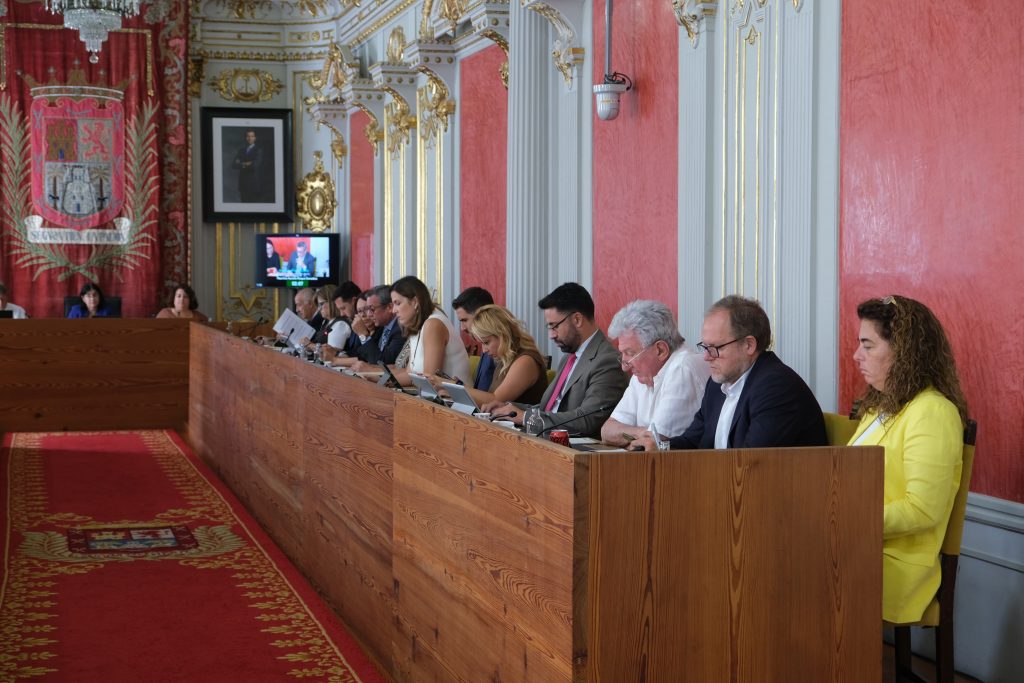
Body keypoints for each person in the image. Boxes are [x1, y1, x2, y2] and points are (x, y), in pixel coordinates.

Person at [849, 295, 968, 624]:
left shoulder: (933, 411)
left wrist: (848, 521)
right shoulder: (880, 407)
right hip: (860, 546)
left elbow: (922, 509)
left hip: (892, 562)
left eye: (868, 345)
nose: (857, 355)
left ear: (903, 351)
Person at [633, 295, 826, 451]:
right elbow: (694, 442)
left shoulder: (776, 388)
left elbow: (752, 463)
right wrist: (660, 446)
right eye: (705, 347)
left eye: (715, 348)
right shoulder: (718, 385)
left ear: (749, 345)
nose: (707, 357)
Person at [488, 282, 628, 439]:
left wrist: (526, 417)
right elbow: (550, 409)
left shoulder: (607, 361)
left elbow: (586, 420)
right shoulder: (569, 358)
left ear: (577, 320)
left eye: (554, 326)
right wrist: (510, 408)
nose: (551, 335)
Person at [599, 300, 709, 447]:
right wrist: (640, 433)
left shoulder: (683, 367)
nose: (625, 367)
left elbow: (654, 444)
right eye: (622, 354)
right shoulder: (641, 375)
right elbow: (607, 431)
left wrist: (630, 436)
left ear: (660, 350)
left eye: (630, 353)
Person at [388, 276, 471, 386]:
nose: (394, 310)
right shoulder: (416, 324)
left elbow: (429, 379)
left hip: (455, 400)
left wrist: (383, 382)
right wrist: (379, 379)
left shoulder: (433, 324)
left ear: (414, 302)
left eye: (397, 303)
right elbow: (410, 373)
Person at [462, 305, 548, 405]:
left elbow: (495, 401)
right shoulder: (504, 358)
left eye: (486, 342)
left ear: (503, 334)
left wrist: (457, 387)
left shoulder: (525, 361)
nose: (484, 350)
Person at [338, 285, 406, 369]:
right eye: (360, 311)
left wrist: (363, 335)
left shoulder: (399, 329)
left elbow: (382, 362)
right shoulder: (384, 326)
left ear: (389, 307)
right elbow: (362, 354)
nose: (369, 314)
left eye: (372, 309)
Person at [452, 286, 496, 391]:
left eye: (465, 320)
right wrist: (455, 386)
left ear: (481, 315)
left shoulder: (497, 350)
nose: (462, 328)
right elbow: (481, 393)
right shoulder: (486, 347)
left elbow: (493, 400)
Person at [307, 285, 351, 352]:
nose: (319, 309)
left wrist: (309, 345)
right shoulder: (326, 322)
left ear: (331, 302)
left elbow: (331, 353)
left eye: (321, 304)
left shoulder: (340, 324)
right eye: (318, 305)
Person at [232, 129, 262, 202]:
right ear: (245, 138)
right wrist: (246, 163)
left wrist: (241, 163)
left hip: (253, 185)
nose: (250, 138)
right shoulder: (241, 151)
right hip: (242, 184)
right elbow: (234, 165)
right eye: (248, 136)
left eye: (252, 136)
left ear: (255, 138)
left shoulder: (258, 150)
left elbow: (254, 166)